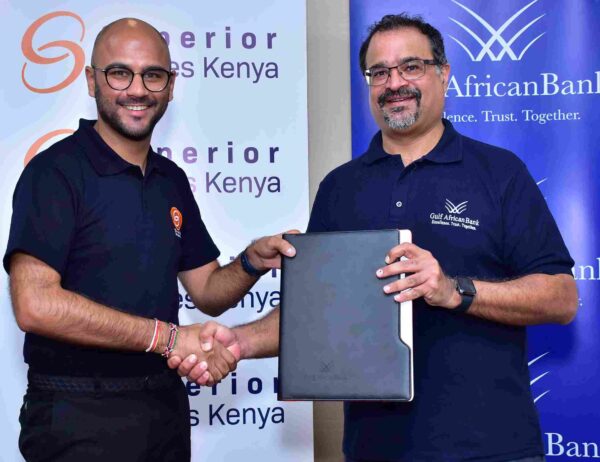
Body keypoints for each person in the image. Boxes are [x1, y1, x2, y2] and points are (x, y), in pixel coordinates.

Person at [173, 13, 578, 462]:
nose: (394, 82)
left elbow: (560, 298)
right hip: (375, 450)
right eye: (379, 72)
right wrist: (241, 342)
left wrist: (453, 290)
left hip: (491, 447)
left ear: (443, 75)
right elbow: (319, 314)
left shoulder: (500, 173)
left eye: (411, 66)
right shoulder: (340, 187)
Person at [4, 18, 294, 462]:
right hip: (75, 414)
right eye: (120, 73)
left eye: (153, 75)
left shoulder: (170, 180)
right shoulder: (55, 173)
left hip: (163, 409)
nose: (137, 89)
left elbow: (208, 291)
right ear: (91, 81)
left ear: (170, 86)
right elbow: (35, 304)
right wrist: (168, 338)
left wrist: (252, 261)